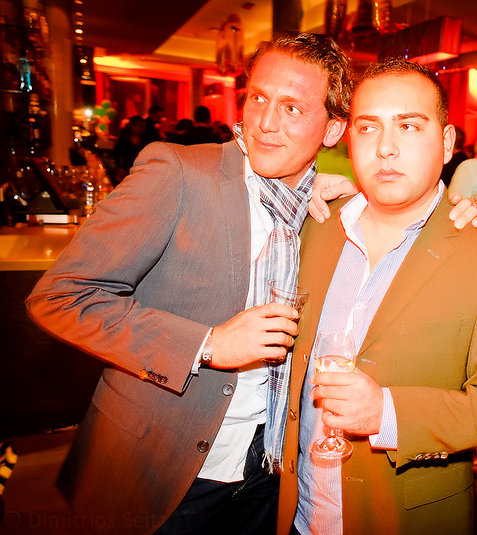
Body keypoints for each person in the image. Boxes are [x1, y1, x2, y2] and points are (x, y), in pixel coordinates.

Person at [25, 33, 352, 535]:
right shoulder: (178, 173)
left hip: (269, 470)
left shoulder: (326, 210)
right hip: (163, 467)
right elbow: (60, 296)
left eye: (292, 108)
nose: (265, 122)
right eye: (258, 98)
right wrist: (208, 344)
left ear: (332, 129)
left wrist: (469, 210)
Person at [276, 58, 477, 535]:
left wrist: (387, 413)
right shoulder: (313, 226)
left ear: (447, 143)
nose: (385, 148)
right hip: (296, 512)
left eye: (408, 126)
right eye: (368, 127)